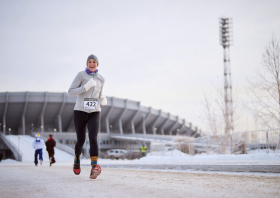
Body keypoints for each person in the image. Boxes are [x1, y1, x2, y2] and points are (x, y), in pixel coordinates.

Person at [68, 54, 107, 179]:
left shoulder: (101, 78)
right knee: (81, 140)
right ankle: (77, 159)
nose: (91, 64)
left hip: (95, 111)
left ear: (97, 63)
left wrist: (102, 97)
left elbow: (99, 93)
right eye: (89, 62)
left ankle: (94, 167)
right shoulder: (81, 75)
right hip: (80, 110)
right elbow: (70, 92)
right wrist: (85, 87)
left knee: (93, 138)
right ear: (87, 63)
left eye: (93, 62)